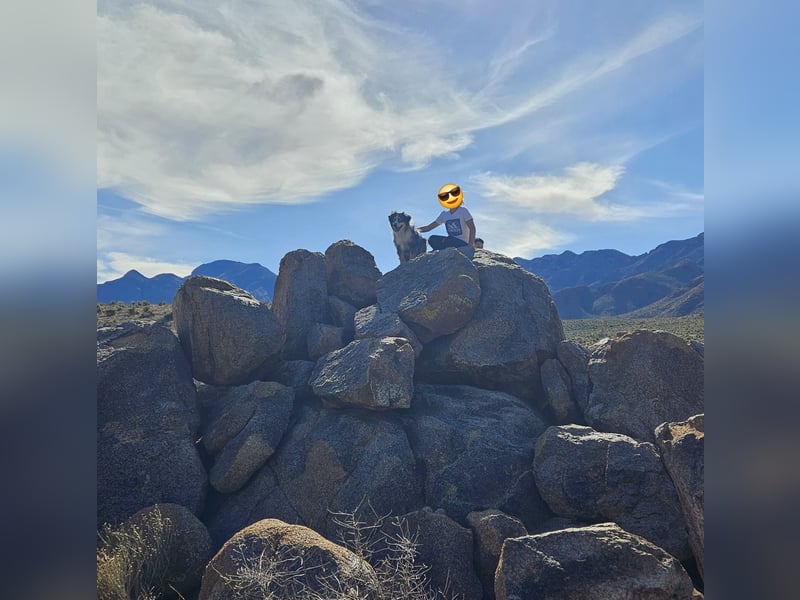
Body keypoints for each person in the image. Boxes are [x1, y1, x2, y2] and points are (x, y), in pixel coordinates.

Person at [417, 183, 477, 250]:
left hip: (462, 243)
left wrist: (470, 245)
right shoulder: (444, 214)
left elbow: (472, 228)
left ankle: (444, 248)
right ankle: (444, 250)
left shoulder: (463, 211)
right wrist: (415, 230)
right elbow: (429, 227)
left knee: (449, 240)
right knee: (432, 239)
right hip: (450, 242)